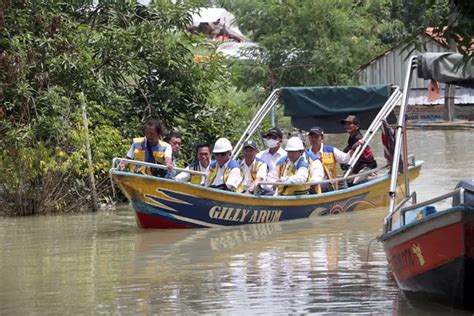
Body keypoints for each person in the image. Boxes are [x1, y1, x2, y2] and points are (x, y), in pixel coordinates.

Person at [306, 126, 356, 191]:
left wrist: (353, 149)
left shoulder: (331, 150)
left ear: (322, 138)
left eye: (316, 137)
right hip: (311, 185)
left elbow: (346, 159)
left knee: (320, 186)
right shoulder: (305, 154)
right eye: (311, 137)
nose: (313, 139)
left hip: (329, 185)